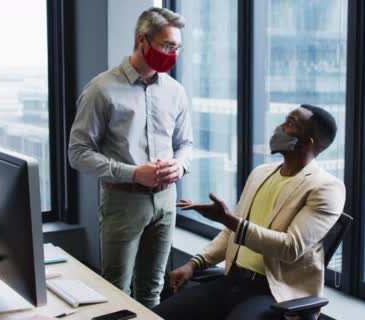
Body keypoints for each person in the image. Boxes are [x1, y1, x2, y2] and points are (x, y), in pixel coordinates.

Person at [153, 105, 345, 320]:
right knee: (154, 316)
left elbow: (290, 247)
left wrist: (230, 221)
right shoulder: (260, 174)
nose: (279, 127)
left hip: (274, 294)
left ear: (307, 142)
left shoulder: (326, 188)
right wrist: (194, 263)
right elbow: (231, 233)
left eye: (290, 124)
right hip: (232, 281)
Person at [68, 7, 192, 308]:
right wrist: (134, 173)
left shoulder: (175, 91)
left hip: (166, 202)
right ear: (142, 40)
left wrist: (181, 164)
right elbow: (78, 154)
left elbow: (185, 143)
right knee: (115, 293)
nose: (173, 54)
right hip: (122, 201)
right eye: (167, 46)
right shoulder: (102, 89)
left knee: (153, 291)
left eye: (177, 47)